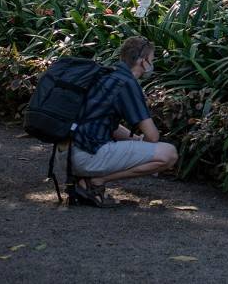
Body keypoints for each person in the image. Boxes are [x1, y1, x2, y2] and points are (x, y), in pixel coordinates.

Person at [67, 36, 178, 208]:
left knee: (145, 146)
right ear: (143, 61)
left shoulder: (108, 74)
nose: (152, 64)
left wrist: (135, 142)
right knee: (168, 154)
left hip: (68, 154)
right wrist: (144, 149)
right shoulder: (127, 83)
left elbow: (106, 124)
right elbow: (153, 136)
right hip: (86, 157)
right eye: (152, 59)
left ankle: (87, 180)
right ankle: (95, 181)